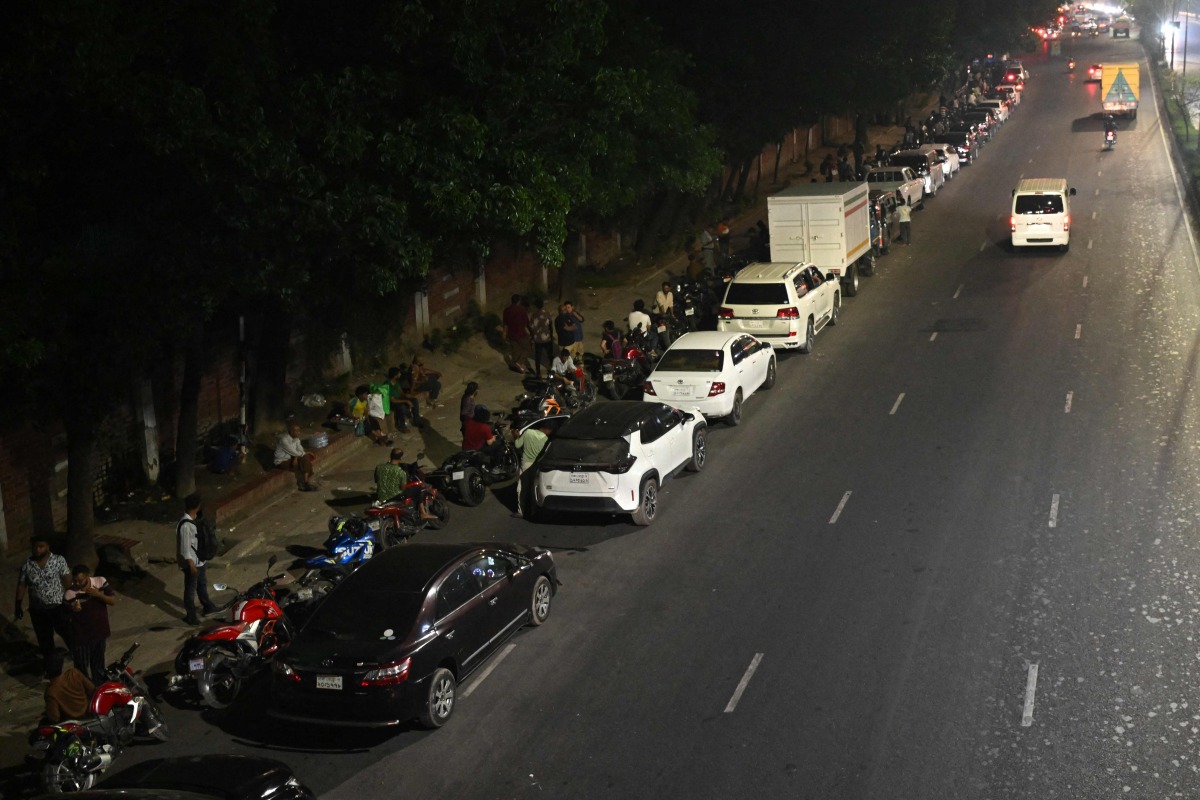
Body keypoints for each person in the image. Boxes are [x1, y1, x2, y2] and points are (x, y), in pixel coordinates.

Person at [15, 535, 71, 677]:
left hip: (58, 607)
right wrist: (18, 604)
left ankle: (79, 658)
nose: (37, 550)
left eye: (41, 546)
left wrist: (71, 600)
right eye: (35, 547)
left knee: (68, 633)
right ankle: (52, 669)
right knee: (45, 641)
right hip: (38, 611)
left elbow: (67, 581)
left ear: (48, 547)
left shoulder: (58, 561)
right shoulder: (27, 566)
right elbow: (22, 584)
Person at [63, 564, 116, 685]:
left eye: (80, 581)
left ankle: (99, 687)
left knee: (98, 665)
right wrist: (73, 610)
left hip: (99, 632)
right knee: (81, 667)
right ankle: (85, 690)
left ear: (87, 576)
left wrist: (98, 595)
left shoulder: (100, 581)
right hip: (82, 637)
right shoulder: (69, 594)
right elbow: (64, 617)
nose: (77, 584)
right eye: (74, 581)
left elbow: (112, 601)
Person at [177, 493, 217, 626]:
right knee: (190, 590)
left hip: (200, 561)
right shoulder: (185, 525)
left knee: (202, 585)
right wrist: (191, 564)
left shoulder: (194, 520)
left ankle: (207, 606)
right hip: (192, 564)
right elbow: (185, 548)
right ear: (197, 507)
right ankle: (191, 616)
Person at [513, 420, 552, 518]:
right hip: (537, 466)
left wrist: (516, 436)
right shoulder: (546, 440)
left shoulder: (528, 432)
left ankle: (521, 511)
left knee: (522, 488)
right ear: (546, 430)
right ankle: (533, 511)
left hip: (525, 464)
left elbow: (517, 445)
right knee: (533, 488)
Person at [273, 423, 317, 491]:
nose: (299, 432)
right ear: (291, 432)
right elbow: (294, 452)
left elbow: (300, 450)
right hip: (282, 462)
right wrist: (303, 454)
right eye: (296, 431)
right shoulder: (284, 440)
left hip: (292, 458)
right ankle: (305, 483)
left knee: (305, 458)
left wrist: (299, 456)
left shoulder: (296, 439)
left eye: (299, 430)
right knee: (304, 458)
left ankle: (306, 482)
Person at [501, 294, 531, 373]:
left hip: (511, 335)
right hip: (521, 334)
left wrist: (504, 333)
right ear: (519, 301)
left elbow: (505, 324)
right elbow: (527, 323)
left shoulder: (506, 310)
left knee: (515, 351)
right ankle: (519, 363)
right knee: (528, 348)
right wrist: (531, 332)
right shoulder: (522, 310)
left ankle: (517, 367)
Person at [528, 298, 555, 378]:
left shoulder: (534, 315)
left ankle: (538, 372)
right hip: (547, 338)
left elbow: (531, 327)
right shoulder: (547, 313)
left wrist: (532, 336)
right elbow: (550, 325)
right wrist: (551, 335)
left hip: (538, 339)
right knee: (550, 354)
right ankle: (553, 370)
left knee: (538, 356)